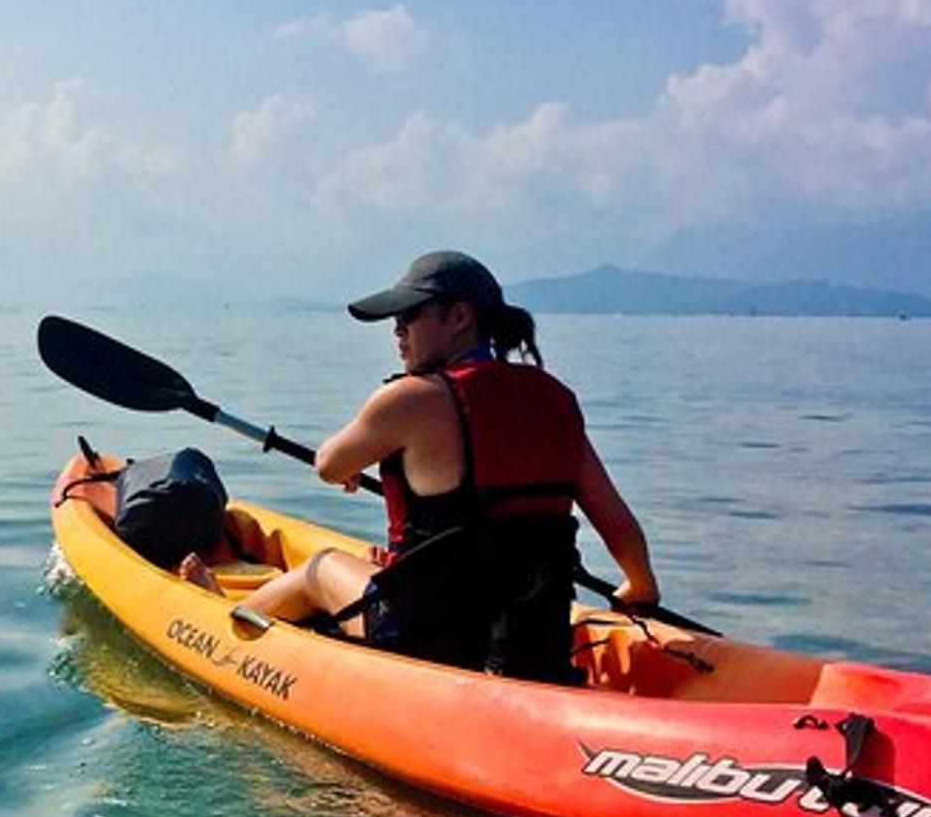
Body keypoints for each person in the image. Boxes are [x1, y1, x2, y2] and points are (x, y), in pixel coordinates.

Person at [186, 250, 659, 683]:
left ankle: (218, 613)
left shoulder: (412, 398)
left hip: (420, 639)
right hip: (531, 643)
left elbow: (329, 465)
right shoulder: (556, 401)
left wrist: (360, 460)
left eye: (409, 316)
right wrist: (639, 585)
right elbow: (616, 520)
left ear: (459, 317)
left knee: (320, 568)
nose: (397, 332)